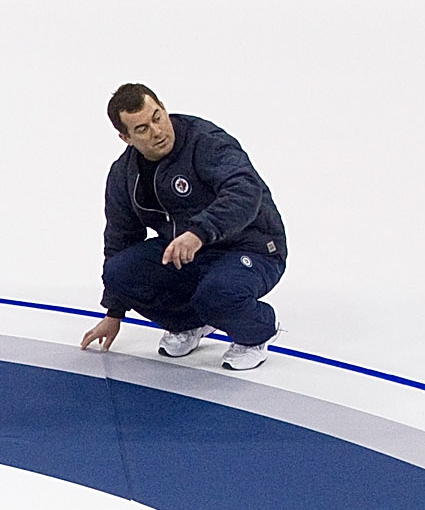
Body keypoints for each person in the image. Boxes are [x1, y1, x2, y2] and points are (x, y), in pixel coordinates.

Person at [78, 84, 287, 370]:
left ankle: (259, 329)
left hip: (253, 246)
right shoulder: (124, 174)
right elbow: (120, 238)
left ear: (163, 107)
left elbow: (245, 191)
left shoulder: (206, 142)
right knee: (118, 273)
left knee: (217, 294)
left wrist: (199, 232)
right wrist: (114, 312)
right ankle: (189, 324)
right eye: (142, 129)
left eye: (157, 117)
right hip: (189, 252)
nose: (157, 131)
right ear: (125, 137)